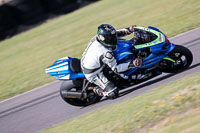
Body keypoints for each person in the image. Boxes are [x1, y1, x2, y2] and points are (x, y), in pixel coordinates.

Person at [81, 24, 143, 99]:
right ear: (104, 38)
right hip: (93, 73)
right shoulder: (106, 52)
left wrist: (129, 30)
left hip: (88, 60)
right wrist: (132, 64)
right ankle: (95, 90)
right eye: (110, 38)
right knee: (113, 94)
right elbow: (117, 69)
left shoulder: (97, 37)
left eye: (113, 37)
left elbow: (117, 33)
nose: (114, 39)